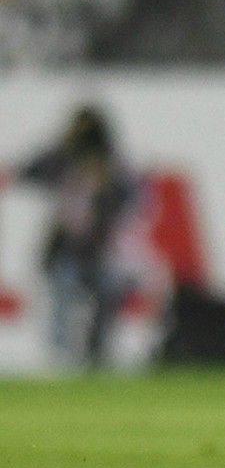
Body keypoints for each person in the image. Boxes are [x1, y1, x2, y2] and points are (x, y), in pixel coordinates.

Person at [14, 104, 138, 368]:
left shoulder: (112, 165)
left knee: (104, 298)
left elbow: (132, 199)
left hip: (98, 250)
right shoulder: (63, 158)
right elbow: (30, 169)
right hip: (65, 249)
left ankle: (96, 356)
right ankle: (61, 361)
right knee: (63, 302)